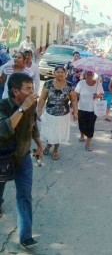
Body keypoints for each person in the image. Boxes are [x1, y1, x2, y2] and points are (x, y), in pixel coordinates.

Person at [0, 73, 42, 248]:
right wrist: (23, 108)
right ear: (15, 91)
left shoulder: (30, 105)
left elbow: (33, 125)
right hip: (2, 158)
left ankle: (25, 237)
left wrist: (39, 144)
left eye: (33, 88)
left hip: (23, 157)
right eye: (28, 88)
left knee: (24, 196)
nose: (33, 92)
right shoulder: (2, 106)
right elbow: (4, 130)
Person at [37, 66, 78, 160]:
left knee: (58, 133)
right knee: (50, 132)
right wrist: (39, 111)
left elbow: (74, 100)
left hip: (63, 115)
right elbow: (42, 98)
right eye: (58, 72)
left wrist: (75, 112)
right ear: (54, 73)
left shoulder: (69, 85)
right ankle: (48, 145)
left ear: (65, 73)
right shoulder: (48, 84)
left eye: (62, 72)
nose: (60, 74)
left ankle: (55, 150)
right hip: (49, 113)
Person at [75, 71, 104, 151]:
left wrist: (98, 95)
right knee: (81, 125)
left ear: (93, 75)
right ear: (85, 75)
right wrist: (73, 106)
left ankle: (88, 144)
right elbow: (76, 94)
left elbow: (102, 94)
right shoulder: (81, 83)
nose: (89, 75)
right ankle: (82, 135)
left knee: (90, 126)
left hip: (93, 109)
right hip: (81, 107)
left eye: (91, 74)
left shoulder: (98, 84)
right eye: (87, 74)